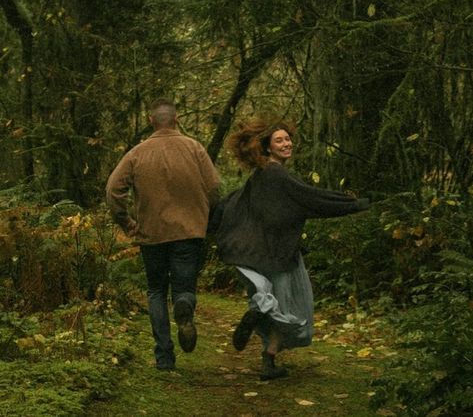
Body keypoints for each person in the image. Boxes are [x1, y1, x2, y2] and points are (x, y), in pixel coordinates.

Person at [209, 119, 370, 381]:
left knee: (276, 305)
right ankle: (263, 322)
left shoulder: (259, 176)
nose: (287, 144)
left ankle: (267, 353)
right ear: (268, 148)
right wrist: (353, 204)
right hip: (279, 255)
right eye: (280, 141)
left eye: (288, 139)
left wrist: (212, 228)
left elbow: (233, 204)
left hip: (256, 254)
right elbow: (312, 199)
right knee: (293, 310)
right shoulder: (278, 175)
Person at [106, 99, 219, 371]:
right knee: (184, 287)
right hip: (189, 232)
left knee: (156, 291)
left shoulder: (137, 153)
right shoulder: (194, 148)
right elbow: (214, 188)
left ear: (150, 120)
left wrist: (126, 221)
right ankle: (183, 304)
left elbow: (113, 190)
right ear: (177, 119)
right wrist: (207, 219)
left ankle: (164, 357)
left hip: (151, 234)